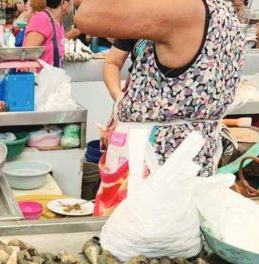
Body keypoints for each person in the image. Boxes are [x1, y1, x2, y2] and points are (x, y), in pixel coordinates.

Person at [75, 0, 245, 177]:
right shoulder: (225, 14)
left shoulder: (183, 9)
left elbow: (88, 14)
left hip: (158, 165)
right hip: (196, 159)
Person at [23, 0, 71, 67]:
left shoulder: (58, 22)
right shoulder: (42, 18)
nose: (72, 4)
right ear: (63, 3)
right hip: (40, 76)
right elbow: (28, 54)